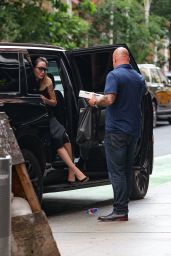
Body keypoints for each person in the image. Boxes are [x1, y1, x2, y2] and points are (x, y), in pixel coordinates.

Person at [88, 47, 147, 221]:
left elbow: (110, 99)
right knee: (126, 169)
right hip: (134, 131)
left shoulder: (113, 75)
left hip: (116, 131)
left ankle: (120, 209)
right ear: (127, 59)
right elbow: (142, 96)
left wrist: (95, 100)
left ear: (115, 59)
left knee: (117, 171)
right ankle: (124, 206)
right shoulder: (139, 77)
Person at [32, 57, 89, 184]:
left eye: (45, 69)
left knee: (65, 137)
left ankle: (71, 172)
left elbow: (54, 102)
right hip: (36, 117)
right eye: (40, 69)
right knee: (58, 141)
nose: (43, 72)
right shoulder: (28, 81)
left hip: (48, 115)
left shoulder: (47, 81)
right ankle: (75, 170)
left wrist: (43, 99)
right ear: (33, 68)